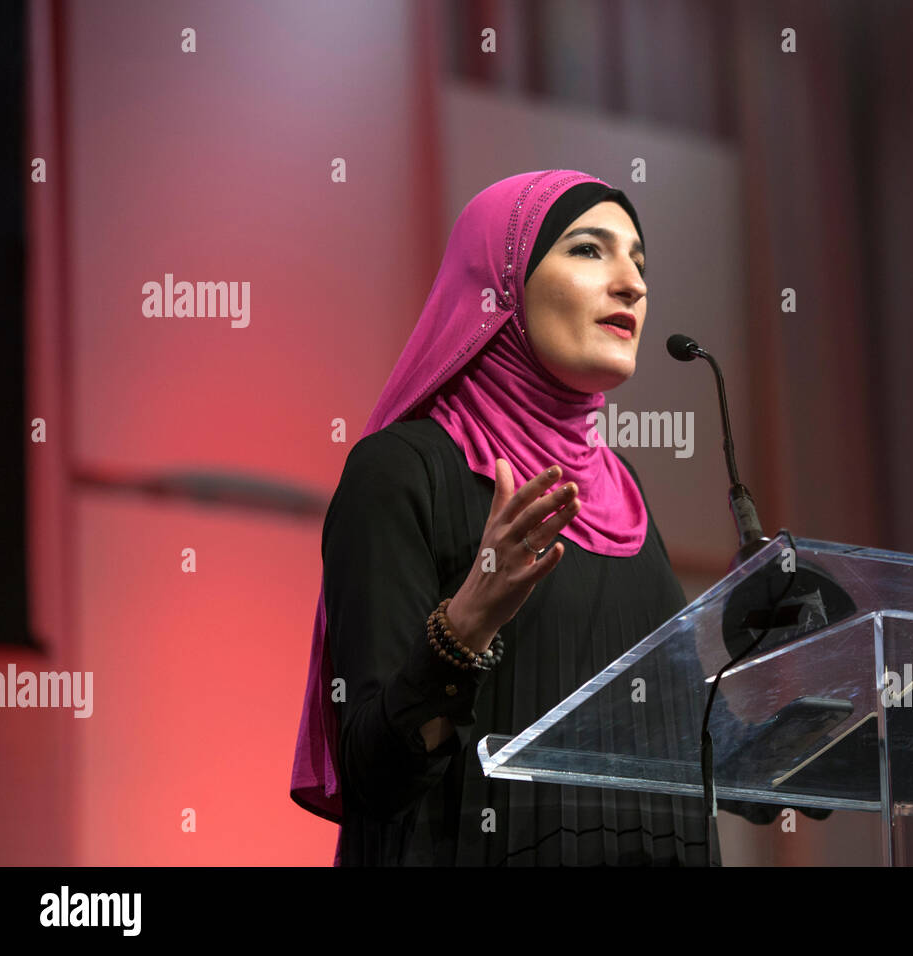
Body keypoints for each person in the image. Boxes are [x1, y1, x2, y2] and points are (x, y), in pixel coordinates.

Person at [289, 169, 720, 865]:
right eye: (589, 250)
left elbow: (674, 737)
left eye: (639, 262)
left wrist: (789, 685)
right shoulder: (401, 470)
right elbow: (372, 774)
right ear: (500, 285)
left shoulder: (622, 492)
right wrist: (465, 627)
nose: (632, 284)